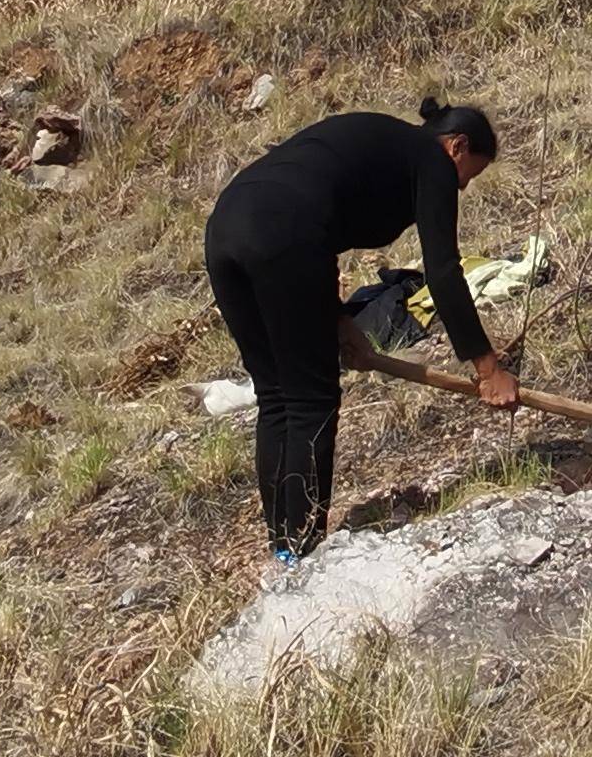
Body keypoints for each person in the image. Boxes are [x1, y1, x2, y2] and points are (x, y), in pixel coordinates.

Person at [202, 97, 516, 560]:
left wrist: (337, 317)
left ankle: (284, 547)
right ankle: (305, 553)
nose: (463, 187)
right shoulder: (431, 161)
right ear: (457, 146)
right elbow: (444, 272)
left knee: (276, 395)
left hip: (226, 228)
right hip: (282, 234)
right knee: (311, 400)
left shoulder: (382, 141)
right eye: (471, 172)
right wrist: (489, 369)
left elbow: (309, 211)